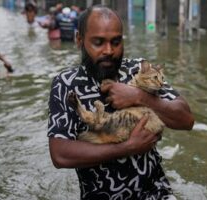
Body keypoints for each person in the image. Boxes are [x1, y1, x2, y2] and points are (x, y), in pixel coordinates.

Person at [47, 5, 194, 199]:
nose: (109, 51)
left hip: (156, 192)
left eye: (116, 42)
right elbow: (60, 154)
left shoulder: (139, 70)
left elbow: (186, 120)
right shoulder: (66, 84)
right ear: (79, 40)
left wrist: (139, 96)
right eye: (98, 42)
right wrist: (127, 148)